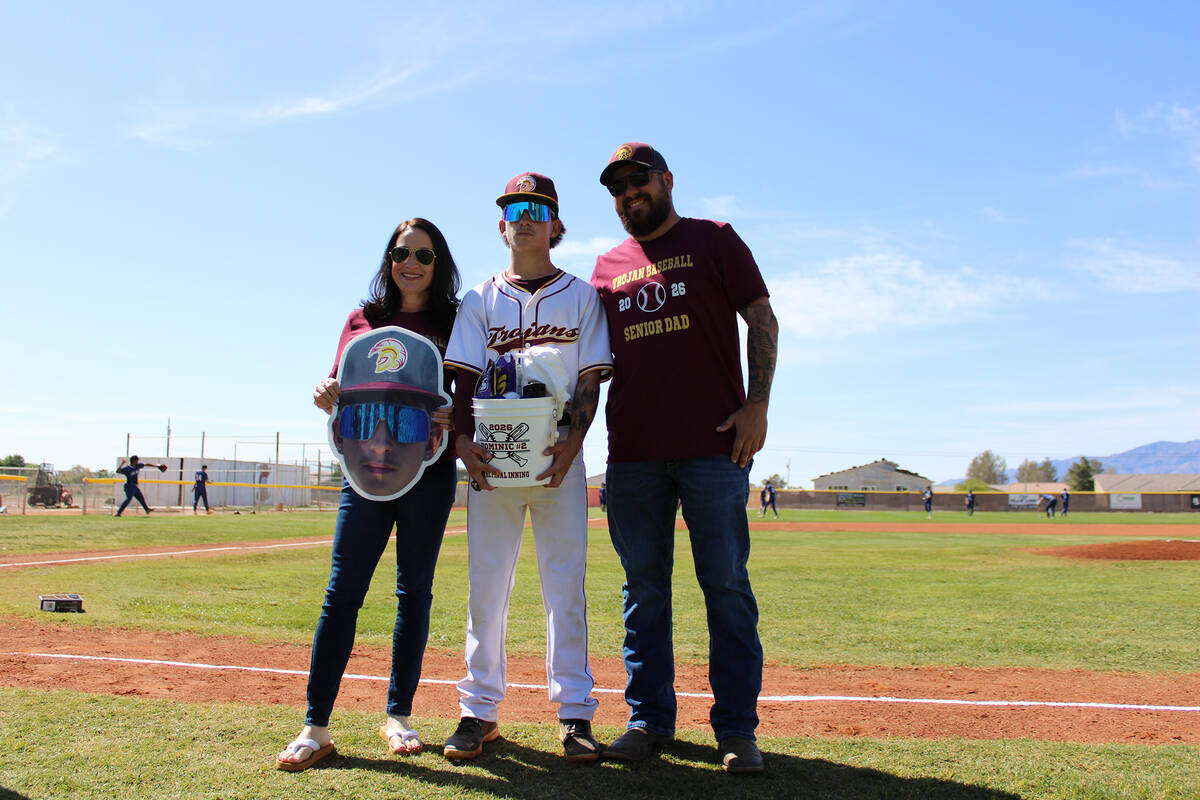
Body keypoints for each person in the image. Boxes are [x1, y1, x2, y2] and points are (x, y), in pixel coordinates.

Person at [590, 143, 778, 774]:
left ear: (666, 181)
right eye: (617, 188)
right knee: (644, 592)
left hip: (712, 449)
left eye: (637, 181)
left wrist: (758, 405)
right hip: (634, 455)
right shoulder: (604, 267)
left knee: (725, 586)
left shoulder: (714, 239)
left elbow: (762, 320)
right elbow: (590, 366)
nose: (628, 194)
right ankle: (648, 722)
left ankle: (735, 731)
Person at [276, 218, 461, 772]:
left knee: (414, 594)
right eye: (402, 253)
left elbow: (466, 393)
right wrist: (323, 390)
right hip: (365, 473)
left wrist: (457, 411)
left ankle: (399, 714)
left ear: (439, 263)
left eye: (425, 255)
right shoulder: (362, 321)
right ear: (389, 259)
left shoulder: (456, 320)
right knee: (342, 594)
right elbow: (341, 387)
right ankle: (316, 726)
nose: (412, 263)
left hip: (428, 471)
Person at [442, 172, 612, 762]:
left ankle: (574, 714)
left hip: (557, 460)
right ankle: (477, 711)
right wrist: (463, 443)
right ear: (500, 223)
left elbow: (591, 376)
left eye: (537, 208)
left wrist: (574, 443)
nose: (524, 216)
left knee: (564, 587)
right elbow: (460, 377)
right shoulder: (480, 299)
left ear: (556, 225)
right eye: (514, 207)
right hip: (491, 462)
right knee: (486, 587)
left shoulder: (581, 294)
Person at [329, 328, 448, 500]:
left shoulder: (449, 322)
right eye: (362, 421)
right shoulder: (359, 322)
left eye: (405, 424)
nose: (380, 446)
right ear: (337, 435)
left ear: (433, 441)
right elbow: (331, 396)